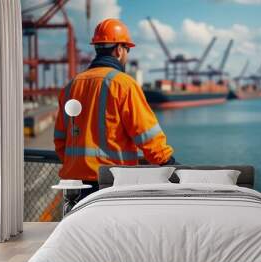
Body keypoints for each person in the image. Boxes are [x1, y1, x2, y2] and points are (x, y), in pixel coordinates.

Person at [54, 18, 177, 198]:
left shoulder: (71, 86)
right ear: (119, 50)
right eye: (127, 49)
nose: (127, 54)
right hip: (111, 184)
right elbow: (147, 135)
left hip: (74, 185)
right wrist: (168, 161)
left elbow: (60, 140)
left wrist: (78, 165)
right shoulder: (124, 84)